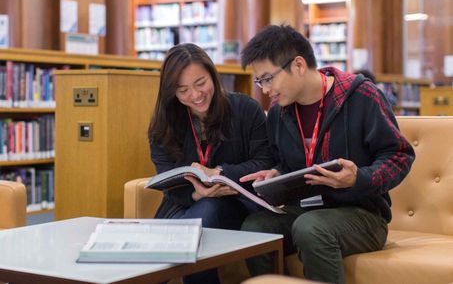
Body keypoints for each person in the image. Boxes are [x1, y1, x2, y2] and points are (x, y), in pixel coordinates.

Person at [239, 25, 415, 284]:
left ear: (298, 65)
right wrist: (276, 173)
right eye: (260, 81)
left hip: (362, 214)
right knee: (255, 229)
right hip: (304, 211)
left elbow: (399, 155)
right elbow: (284, 162)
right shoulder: (278, 112)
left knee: (311, 227)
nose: (265, 90)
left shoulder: (361, 95)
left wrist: (358, 179)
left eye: (268, 78)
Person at [148, 43, 274, 284]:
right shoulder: (163, 126)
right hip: (183, 205)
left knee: (204, 216)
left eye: (200, 83)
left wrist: (219, 172)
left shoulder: (246, 109)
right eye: (182, 90)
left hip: (236, 203)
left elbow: (264, 161)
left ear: (213, 76)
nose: (195, 96)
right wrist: (196, 194)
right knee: (197, 217)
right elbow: (166, 180)